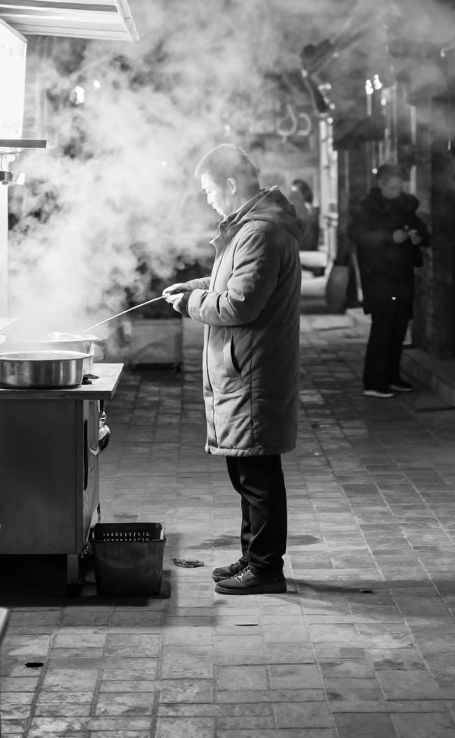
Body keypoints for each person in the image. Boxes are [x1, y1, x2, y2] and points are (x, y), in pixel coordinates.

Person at [163, 144, 304, 595]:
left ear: (230, 184)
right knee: (245, 472)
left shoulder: (260, 232)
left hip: (254, 375)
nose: (208, 200)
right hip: (245, 371)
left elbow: (240, 303)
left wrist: (189, 303)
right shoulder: (246, 230)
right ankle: (253, 556)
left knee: (258, 476)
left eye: (209, 191)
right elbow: (231, 283)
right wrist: (196, 286)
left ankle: (266, 568)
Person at [349, 162, 431, 398]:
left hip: (402, 274)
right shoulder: (368, 209)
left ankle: (392, 376)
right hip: (379, 275)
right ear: (381, 184)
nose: (397, 193)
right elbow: (357, 234)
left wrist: (418, 239)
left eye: (400, 188)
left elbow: (424, 234)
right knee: (382, 328)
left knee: (399, 328)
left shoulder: (406, 206)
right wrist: (388, 237)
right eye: (392, 188)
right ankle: (374, 382)